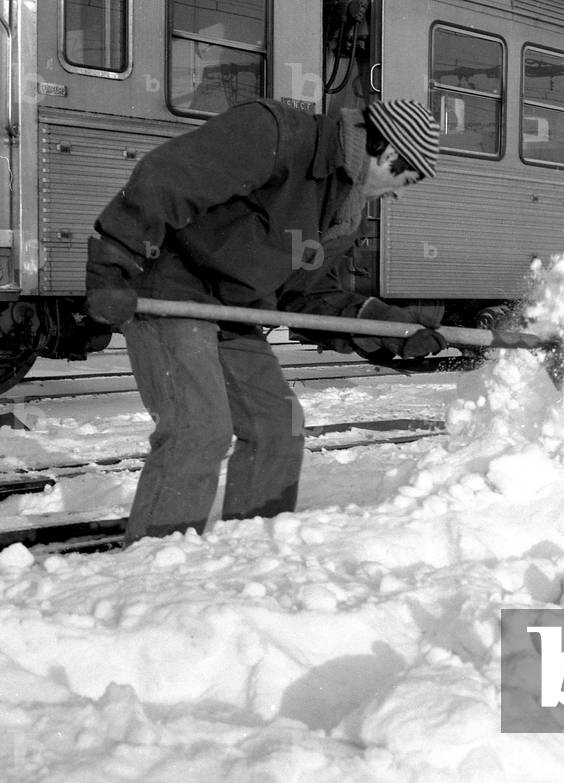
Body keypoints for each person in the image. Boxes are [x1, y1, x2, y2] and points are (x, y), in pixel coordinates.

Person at [85, 98, 444, 544]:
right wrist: (112, 263)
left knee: (280, 427)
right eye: (404, 179)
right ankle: (153, 567)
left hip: (233, 312)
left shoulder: (342, 211)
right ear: (388, 154)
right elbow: (169, 176)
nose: (398, 195)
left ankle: (250, 555)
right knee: (199, 429)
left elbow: (305, 295)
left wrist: (379, 324)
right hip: (172, 292)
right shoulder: (280, 136)